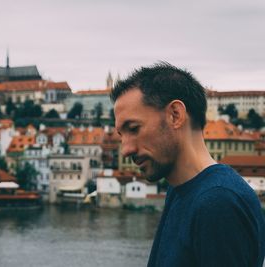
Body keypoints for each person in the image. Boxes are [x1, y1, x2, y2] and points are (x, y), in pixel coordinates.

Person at [111, 62, 265, 267]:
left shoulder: (218, 203)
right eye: (122, 135)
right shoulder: (181, 190)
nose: (126, 149)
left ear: (175, 115)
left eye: (134, 128)